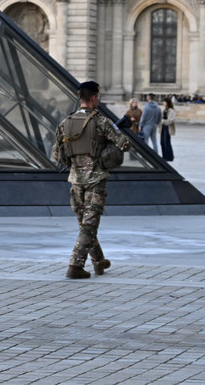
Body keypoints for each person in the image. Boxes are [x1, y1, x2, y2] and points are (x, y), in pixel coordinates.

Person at [53, 81, 132, 279]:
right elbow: (124, 144)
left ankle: (99, 262)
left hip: (75, 181)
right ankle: (75, 265)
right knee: (89, 225)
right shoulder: (101, 122)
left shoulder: (66, 123)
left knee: (85, 224)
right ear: (94, 97)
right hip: (96, 180)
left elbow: (57, 153)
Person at [160, 97, 176, 162]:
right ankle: (164, 156)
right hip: (162, 127)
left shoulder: (171, 111)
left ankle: (169, 157)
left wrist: (163, 121)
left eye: (164, 102)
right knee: (162, 142)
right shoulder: (164, 110)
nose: (163, 103)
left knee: (167, 142)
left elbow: (171, 120)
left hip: (168, 128)